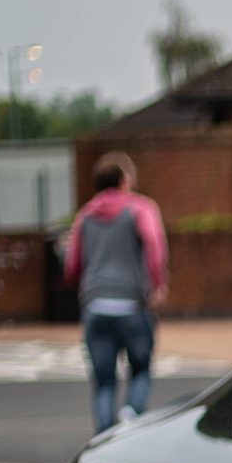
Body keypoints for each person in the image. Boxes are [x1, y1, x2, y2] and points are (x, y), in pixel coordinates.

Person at [64, 152, 168, 432]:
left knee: (104, 384)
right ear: (123, 180)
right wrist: (156, 283)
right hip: (132, 306)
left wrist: (85, 284)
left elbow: (72, 265)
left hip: (95, 307)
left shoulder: (84, 216)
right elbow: (155, 246)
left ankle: (103, 442)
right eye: (130, 173)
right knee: (142, 371)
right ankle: (131, 413)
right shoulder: (140, 209)